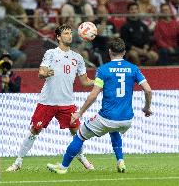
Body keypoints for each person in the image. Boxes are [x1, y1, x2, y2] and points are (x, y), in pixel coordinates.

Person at [47, 37, 152, 174]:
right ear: (124, 52)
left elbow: (93, 95)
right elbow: (148, 90)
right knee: (114, 130)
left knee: (79, 135)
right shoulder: (133, 69)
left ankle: (63, 167)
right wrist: (147, 107)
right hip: (127, 120)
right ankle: (120, 161)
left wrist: (79, 113)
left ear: (109, 52)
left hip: (107, 118)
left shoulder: (103, 70)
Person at [6, 24, 95, 172]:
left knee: (77, 132)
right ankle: (18, 162)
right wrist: (45, 73)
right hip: (47, 101)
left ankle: (82, 157)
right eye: (66, 33)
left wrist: (99, 82)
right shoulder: (51, 53)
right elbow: (41, 72)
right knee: (35, 130)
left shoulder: (78, 58)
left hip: (67, 102)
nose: (69, 36)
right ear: (58, 37)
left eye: (70, 33)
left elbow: (85, 82)